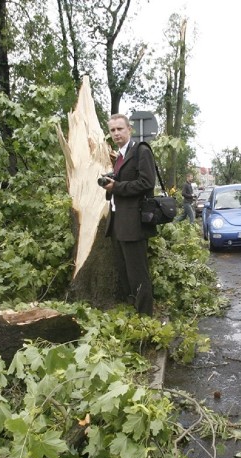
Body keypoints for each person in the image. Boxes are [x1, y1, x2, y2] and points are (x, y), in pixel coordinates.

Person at [99, 114, 157, 315]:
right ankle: (134, 311)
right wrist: (110, 186)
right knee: (124, 273)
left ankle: (146, 317)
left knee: (137, 274)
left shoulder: (141, 151)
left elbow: (147, 183)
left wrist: (117, 186)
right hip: (117, 223)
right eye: (112, 130)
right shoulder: (120, 156)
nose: (116, 133)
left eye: (120, 129)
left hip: (133, 223)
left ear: (129, 130)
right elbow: (120, 186)